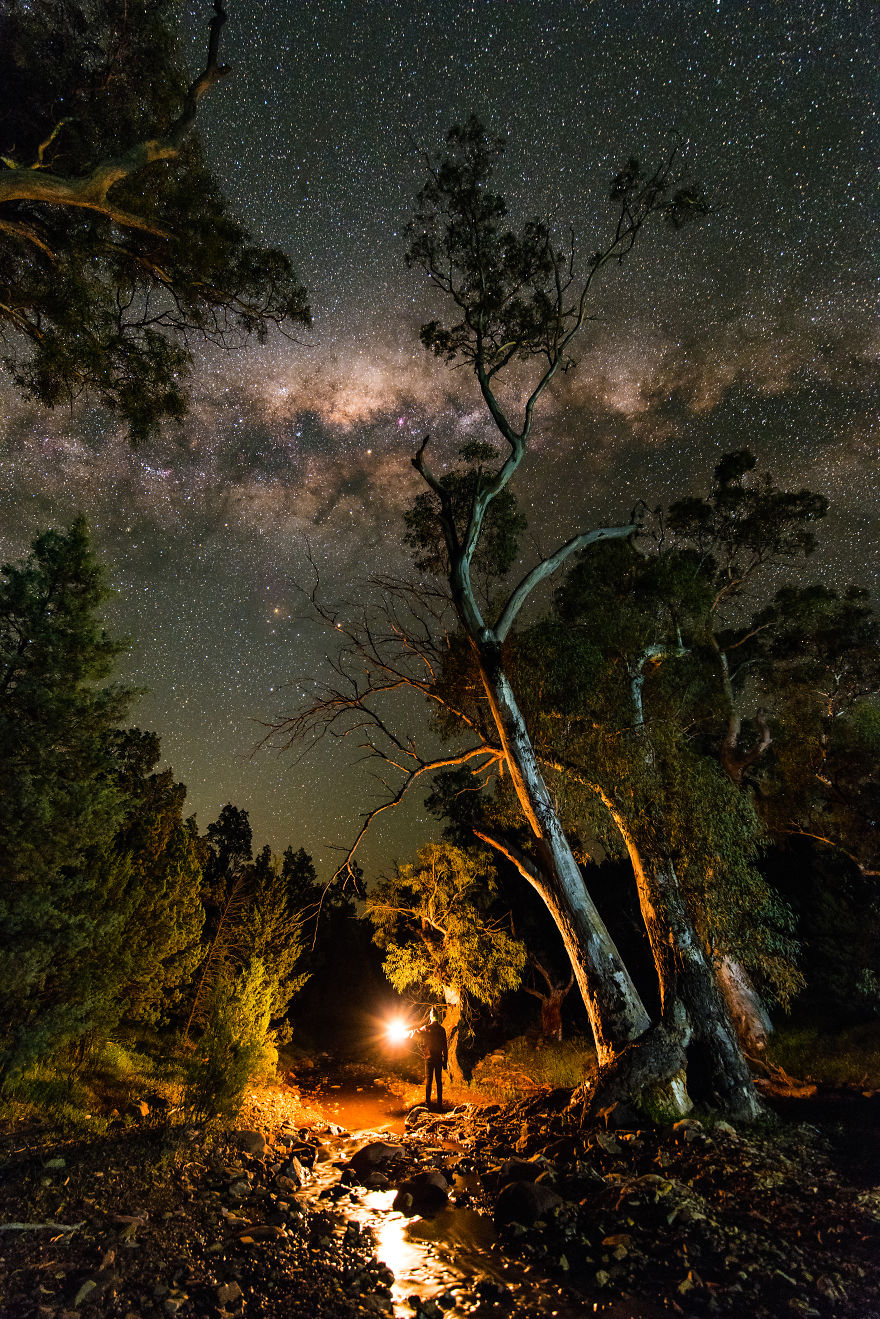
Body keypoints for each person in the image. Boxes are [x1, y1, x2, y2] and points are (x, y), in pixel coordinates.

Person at [416, 1008, 448, 1111]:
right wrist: (445, 1061)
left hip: (429, 1058)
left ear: (430, 1016)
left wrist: (403, 1033)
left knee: (429, 1081)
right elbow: (445, 1047)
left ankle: (427, 1103)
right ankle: (439, 1104)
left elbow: (416, 1032)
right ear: (437, 1017)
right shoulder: (442, 1030)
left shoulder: (426, 1028)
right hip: (438, 1058)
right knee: (438, 1081)